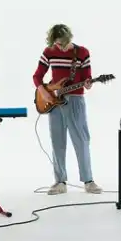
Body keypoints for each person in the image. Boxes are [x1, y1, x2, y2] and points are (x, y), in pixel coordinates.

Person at [32, 24, 102, 195]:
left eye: (62, 43)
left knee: (81, 140)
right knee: (57, 141)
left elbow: (87, 78)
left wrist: (89, 83)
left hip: (75, 100)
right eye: (57, 43)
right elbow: (37, 76)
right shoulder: (49, 51)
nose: (60, 47)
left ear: (69, 38)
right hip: (54, 101)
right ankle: (60, 181)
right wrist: (44, 93)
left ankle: (88, 181)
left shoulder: (82, 52)